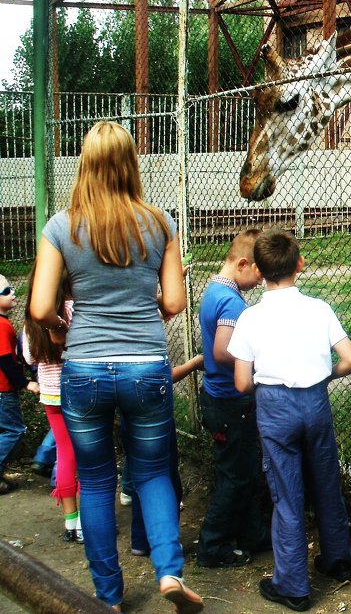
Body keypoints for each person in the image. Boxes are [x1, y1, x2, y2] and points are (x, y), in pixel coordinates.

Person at [29, 120, 203, 614]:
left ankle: (108, 596)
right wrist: (147, 310)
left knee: (99, 480)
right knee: (151, 476)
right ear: (131, 164)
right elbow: (173, 301)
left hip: (84, 369)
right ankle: (169, 573)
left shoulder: (61, 227)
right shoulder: (159, 223)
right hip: (146, 367)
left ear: (85, 164)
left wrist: (67, 336)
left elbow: (41, 308)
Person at [228, 230, 351, 613]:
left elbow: (241, 382)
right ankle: (338, 559)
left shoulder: (251, 317)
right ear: (299, 264)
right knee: (325, 480)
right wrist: (323, 374)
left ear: (257, 269)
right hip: (315, 403)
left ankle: (292, 585)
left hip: (275, 406)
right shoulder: (319, 309)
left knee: (287, 495)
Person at [196, 228, 270, 568]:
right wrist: (258, 362)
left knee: (244, 470)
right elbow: (225, 351)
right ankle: (213, 546)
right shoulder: (231, 301)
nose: (260, 281)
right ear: (243, 264)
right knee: (236, 476)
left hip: (218, 397)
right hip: (230, 400)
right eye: (259, 272)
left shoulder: (213, 290)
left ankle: (253, 534)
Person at [21, 264, 82, 542]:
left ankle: (72, 521)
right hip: (77, 389)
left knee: (65, 453)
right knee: (84, 456)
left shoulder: (32, 317)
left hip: (50, 395)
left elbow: (30, 359)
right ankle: (85, 522)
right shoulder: (73, 309)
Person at [128, 354, 204, 559]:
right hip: (154, 408)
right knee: (166, 479)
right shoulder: (146, 336)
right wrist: (195, 363)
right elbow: (165, 376)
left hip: (130, 407)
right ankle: (166, 544)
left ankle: (141, 540)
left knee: (141, 476)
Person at [0, 276, 37, 494]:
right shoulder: (3, 327)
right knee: (14, 430)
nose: (13, 293)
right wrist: (24, 383)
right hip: (4, 390)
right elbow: (4, 359)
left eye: (11, 289)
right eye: (6, 292)